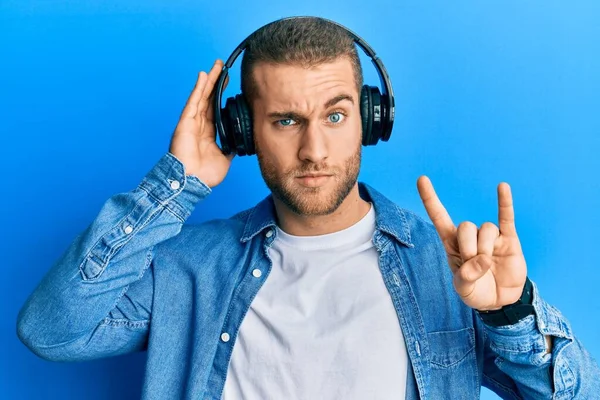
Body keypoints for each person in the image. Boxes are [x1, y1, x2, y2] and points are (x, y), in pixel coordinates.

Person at [16, 16, 599, 400]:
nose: (314, 149)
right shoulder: (188, 268)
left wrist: (510, 314)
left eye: (336, 116)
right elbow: (52, 331)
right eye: (286, 120)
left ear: (372, 119)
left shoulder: (444, 270)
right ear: (241, 132)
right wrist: (178, 183)